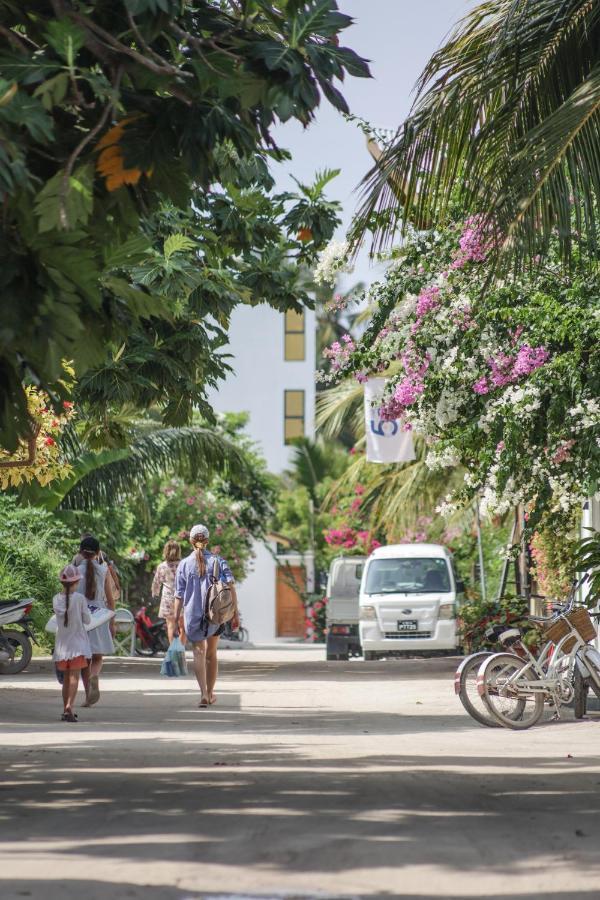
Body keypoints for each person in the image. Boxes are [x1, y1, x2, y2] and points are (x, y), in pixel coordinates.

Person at [172, 524, 238, 709]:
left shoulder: (184, 564)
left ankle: (202, 693)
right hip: (215, 615)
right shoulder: (218, 561)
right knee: (211, 654)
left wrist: (177, 619)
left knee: (198, 653)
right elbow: (230, 587)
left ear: (190, 541)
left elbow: (179, 595)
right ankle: (210, 693)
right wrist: (235, 614)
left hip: (192, 615)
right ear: (207, 541)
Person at [76, 536, 116, 707]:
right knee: (97, 657)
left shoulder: (74, 570)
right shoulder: (104, 570)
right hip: (100, 614)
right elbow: (110, 598)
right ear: (98, 553)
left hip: (81, 615)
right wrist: (112, 622)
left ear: (80, 552)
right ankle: (95, 675)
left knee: (85, 658)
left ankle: (87, 696)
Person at [52, 565, 92, 722]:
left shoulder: (56, 599)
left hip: (62, 646)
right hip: (77, 645)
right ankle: (70, 706)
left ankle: (65, 709)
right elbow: (87, 620)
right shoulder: (80, 599)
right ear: (75, 582)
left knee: (66, 678)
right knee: (74, 677)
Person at [151, 539, 185, 645]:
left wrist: (155, 594)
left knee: (170, 626)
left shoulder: (162, 566)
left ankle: (174, 652)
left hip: (167, 599)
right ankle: (181, 650)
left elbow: (156, 583)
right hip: (182, 598)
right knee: (183, 627)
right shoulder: (184, 565)